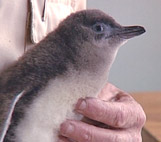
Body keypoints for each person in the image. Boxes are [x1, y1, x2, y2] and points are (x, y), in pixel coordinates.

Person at [0, 0, 146, 142]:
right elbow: (14, 88)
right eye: (99, 29)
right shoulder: (40, 66)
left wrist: (109, 116)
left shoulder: (78, 52)